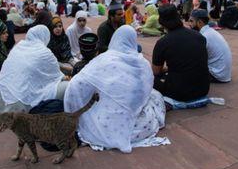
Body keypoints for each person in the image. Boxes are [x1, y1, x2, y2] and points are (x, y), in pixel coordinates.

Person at [64, 25, 166, 153]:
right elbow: (146, 87)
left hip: (107, 124)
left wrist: (73, 109)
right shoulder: (142, 62)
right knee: (155, 96)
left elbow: (77, 84)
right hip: (141, 127)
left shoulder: (104, 59)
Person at [0, 25, 68, 114]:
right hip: (17, 107)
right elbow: (56, 77)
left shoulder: (18, 47)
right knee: (67, 86)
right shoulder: (44, 52)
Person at [152, 5, 210, 102]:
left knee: (149, 78)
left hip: (179, 93)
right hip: (203, 89)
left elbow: (156, 71)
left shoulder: (162, 42)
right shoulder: (199, 36)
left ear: (161, 22)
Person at [189, 9, 232, 83]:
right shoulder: (210, 31)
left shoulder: (204, 36)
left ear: (200, 22)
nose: (189, 24)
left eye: (191, 21)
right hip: (223, 73)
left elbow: (195, 59)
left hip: (216, 75)